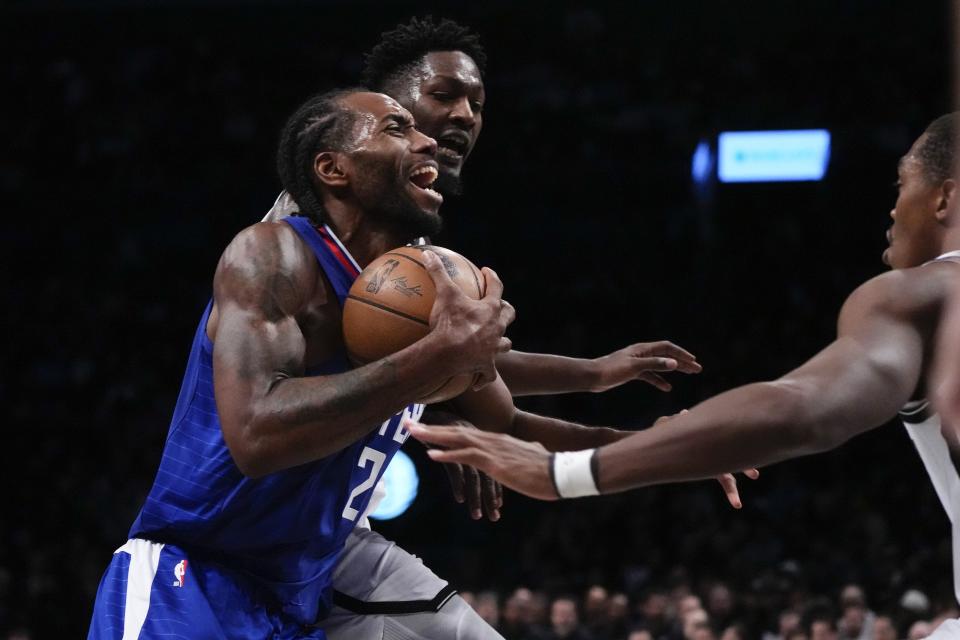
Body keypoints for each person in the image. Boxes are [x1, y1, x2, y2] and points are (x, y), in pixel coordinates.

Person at [409, 113, 960, 637]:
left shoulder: (925, 294)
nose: (892, 210)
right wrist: (599, 383)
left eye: (901, 183)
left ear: (946, 196)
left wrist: (565, 473)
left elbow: (806, 408)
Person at [87, 88, 515, 638]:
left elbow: (492, 404)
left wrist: (456, 388)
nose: (428, 139)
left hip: (305, 592)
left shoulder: (403, 299)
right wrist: (437, 359)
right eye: (395, 128)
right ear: (333, 169)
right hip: (194, 579)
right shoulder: (272, 254)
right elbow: (256, 437)